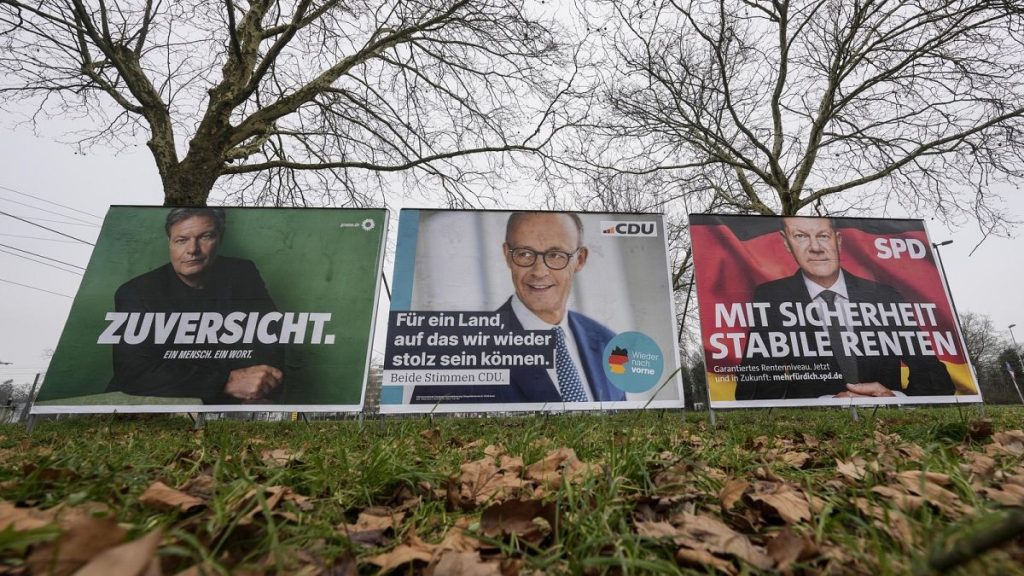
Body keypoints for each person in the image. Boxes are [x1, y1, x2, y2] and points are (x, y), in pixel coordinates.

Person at [412, 212, 626, 404]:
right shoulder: (458, 356)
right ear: (507, 255)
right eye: (524, 254)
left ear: (580, 259)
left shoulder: (609, 345)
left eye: (555, 255)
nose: (539, 271)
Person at [734, 216, 954, 400]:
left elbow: (937, 381)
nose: (816, 248)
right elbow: (752, 389)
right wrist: (820, 404)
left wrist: (894, 397)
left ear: (838, 240)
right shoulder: (772, 297)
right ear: (786, 242)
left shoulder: (884, 297)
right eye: (800, 236)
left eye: (823, 236)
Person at [105, 207, 285, 404]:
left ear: (220, 238)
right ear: (170, 243)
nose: (193, 249)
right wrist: (227, 382)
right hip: (153, 403)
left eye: (205, 237)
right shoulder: (136, 293)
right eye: (181, 240)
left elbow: (270, 338)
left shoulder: (242, 273)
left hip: (230, 401)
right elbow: (134, 372)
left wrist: (260, 387)